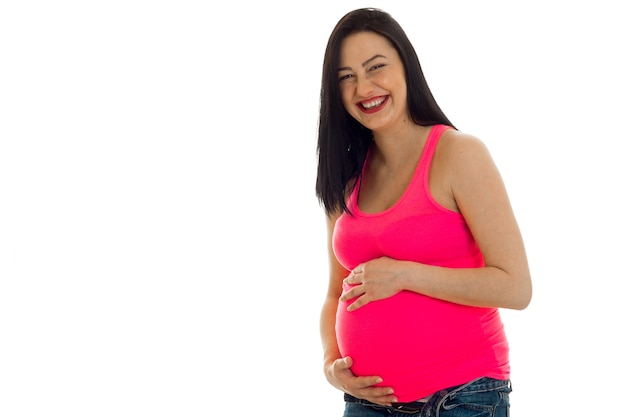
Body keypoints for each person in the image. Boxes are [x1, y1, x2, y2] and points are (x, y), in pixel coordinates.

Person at [315, 8, 532, 417]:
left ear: (406, 67)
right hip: (366, 403)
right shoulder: (345, 177)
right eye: (346, 77)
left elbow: (516, 287)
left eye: (375, 67)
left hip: (459, 398)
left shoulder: (459, 154)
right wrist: (331, 365)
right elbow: (334, 293)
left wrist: (405, 275)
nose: (364, 87)